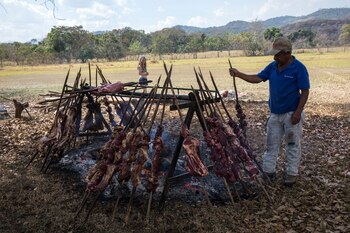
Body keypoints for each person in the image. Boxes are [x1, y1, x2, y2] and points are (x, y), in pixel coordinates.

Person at [229, 37, 310, 186]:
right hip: (275, 113)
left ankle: (292, 173)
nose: (275, 57)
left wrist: (298, 112)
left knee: (292, 144)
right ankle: (268, 171)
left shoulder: (299, 68)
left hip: (291, 113)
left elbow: (305, 91)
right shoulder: (273, 67)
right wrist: (239, 74)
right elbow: (257, 78)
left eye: (278, 54)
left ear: (287, 53)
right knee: (271, 144)